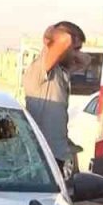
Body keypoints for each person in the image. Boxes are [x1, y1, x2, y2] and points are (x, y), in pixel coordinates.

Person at [23, 21, 86, 176]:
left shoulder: (60, 71)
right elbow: (65, 40)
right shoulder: (42, 67)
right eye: (75, 49)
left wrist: (73, 52)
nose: (76, 54)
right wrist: (50, 34)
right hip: (42, 157)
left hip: (56, 156)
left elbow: (86, 60)